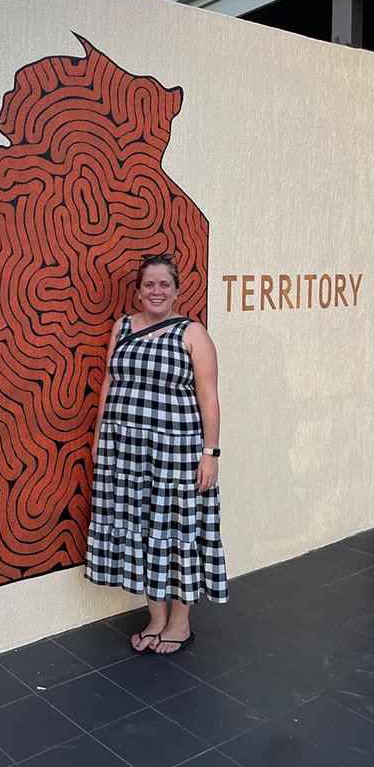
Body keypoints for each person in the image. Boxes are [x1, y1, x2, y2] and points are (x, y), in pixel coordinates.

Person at [85, 253, 228, 654]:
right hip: (126, 452)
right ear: (138, 290)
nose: (156, 291)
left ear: (176, 291)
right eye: (149, 284)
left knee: (177, 530)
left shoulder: (192, 333)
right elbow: (110, 382)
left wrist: (210, 453)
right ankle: (156, 617)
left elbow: (208, 397)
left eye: (164, 284)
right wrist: (99, 434)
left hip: (176, 452)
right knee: (143, 526)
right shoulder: (123, 326)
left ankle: (180, 623)